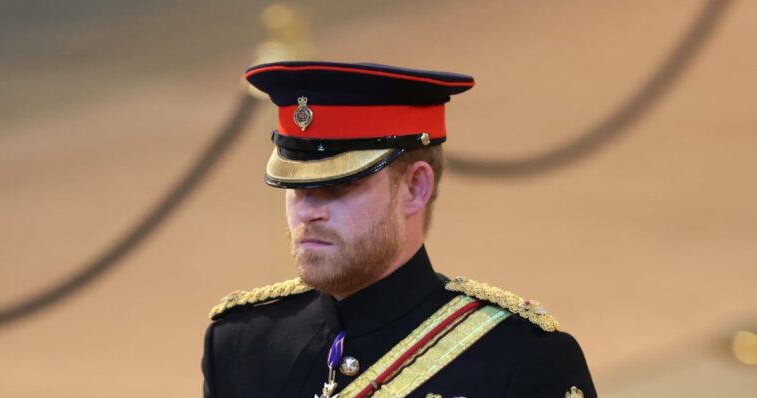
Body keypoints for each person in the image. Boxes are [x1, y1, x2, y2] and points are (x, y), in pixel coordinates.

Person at [202, 61, 597, 398]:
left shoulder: (519, 360)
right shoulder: (239, 344)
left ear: (414, 188)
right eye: (296, 187)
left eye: (339, 186)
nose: (309, 211)